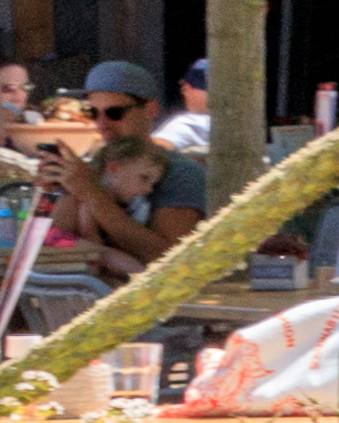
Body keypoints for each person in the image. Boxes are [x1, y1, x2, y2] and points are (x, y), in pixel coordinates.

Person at [31, 63, 208, 277]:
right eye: (93, 113)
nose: (102, 124)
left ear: (150, 109)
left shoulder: (180, 171)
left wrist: (91, 193)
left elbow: (170, 259)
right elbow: (47, 243)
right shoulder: (96, 164)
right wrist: (53, 191)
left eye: (114, 113)